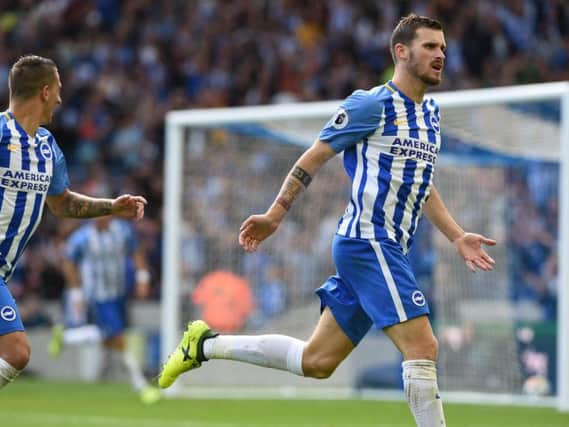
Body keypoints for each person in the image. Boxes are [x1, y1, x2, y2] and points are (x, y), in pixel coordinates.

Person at [159, 14, 497, 427]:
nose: (440, 54)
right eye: (430, 46)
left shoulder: (431, 116)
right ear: (401, 52)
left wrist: (458, 235)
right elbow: (313, 157)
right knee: (422, 345)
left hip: (389, 249)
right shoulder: (371, 104)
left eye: (443, 47)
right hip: (368, 242)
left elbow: (422, 185)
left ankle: (204, 345)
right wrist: (275, 214)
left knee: (316, 361)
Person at [0, 54, 147, 390]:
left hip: (2, 271)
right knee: (16, 351)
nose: (62, 99)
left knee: (15, 352)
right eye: (59, 90)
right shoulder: (0, 132)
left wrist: (112, 207)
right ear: (45, 91)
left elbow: (62, 203)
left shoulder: (47, 147)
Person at [48, 215, 161, 404]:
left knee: (107, 336)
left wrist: (142, 277)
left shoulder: (122, 230)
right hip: (98, 296)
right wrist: (76, 294)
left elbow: (135, 251)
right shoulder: (82, 237)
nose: (102, 217)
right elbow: (68, 264)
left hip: (119, 293)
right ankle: (140, 385)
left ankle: (66, 337)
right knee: (118, 338)